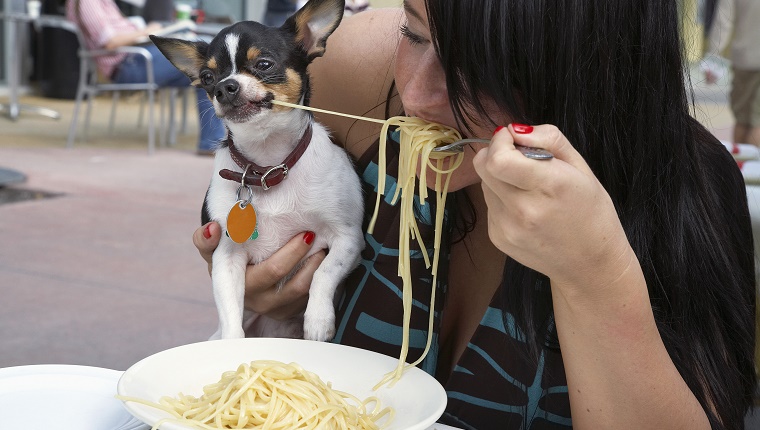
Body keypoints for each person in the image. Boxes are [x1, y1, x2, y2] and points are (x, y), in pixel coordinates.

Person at [194, 0, 757, 428]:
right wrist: (259, 269)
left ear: (599, 68)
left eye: (483, 66)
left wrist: (596, 276)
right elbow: (241, 178)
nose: (416, 97)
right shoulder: (359, 76)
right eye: (414, 34)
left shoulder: (687, 186)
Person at [66, 0, 225, 154]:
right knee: (205, 63)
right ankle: (213, 145)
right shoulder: (88, 2)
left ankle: (212, 143)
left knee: (206, 74)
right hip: (128, 65)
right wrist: (147, 31)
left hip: (136, 58)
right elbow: (110, 41)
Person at [703, 0, 760, 148]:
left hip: (744, 58)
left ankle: (740, 168)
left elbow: (723, 21)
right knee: (757, 122)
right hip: (746, 59)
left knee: (742, 120)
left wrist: (714, 58)